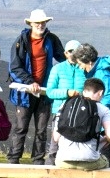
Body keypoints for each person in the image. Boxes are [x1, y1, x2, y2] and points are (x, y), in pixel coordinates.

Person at [46, 43, 110, 178]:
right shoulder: (95, 70)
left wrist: (91, 110)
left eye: (80, 63)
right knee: (91, 154)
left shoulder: (101, 73)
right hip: (98, 120)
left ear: (88, 62)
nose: (79, 67)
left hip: (108, 120)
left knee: (105, 157)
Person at [5, 9, 66, 166]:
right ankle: (13, 159)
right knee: (21, 127)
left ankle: (38, 160)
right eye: (37, 22)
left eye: (43, 22)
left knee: (41, 129)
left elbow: (63, 58)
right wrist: (30, 81)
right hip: (25, 92)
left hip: (45, 91)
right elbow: (15, 67)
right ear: (30, 23)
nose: (40, 25)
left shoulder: (51, 39)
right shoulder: (21, 41)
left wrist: (79, 61)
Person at [52, 78, 110, 178]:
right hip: (90, 160)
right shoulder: (103, 109)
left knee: (67, 168)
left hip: (63, 160)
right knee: (103, 162)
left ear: (84, 91)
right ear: (100, 93)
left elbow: (56, 138)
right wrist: (104, 140)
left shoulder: (65, 105)